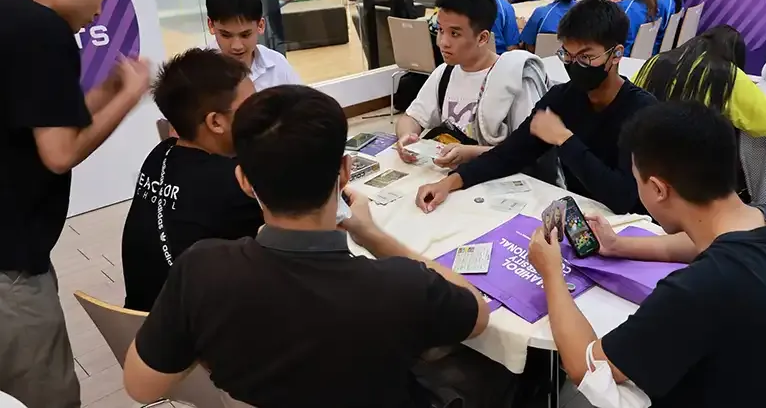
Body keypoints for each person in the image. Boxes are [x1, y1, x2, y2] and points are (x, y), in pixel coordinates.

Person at [122, 85, 491, 406]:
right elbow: (477, 314)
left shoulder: (201, 269)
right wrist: (372, 235)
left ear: (245, 180)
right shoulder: (400, 284)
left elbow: (141, 386)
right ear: (345, 171)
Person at [527, 101, 766, 407]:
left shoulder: (701, 289)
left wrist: (551, 272)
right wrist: (618, 245)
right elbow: (697, 244)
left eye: (638, 181)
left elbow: (588, 367)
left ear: (658, 189)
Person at [0, 0, 150, 407]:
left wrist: (104, 92)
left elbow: (36, 122)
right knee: (46, 397)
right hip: (10, 265)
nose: (98, 13)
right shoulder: (44, 30)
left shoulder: (8, 16)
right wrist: (128, 98)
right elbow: (59, 153)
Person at [415, 0, 658, 215]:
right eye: (567, 55)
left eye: (586, 57)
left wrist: (564, 139)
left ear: (616, 54)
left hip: (631, 228)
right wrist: (450, 182)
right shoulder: (562, 98)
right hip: (580, 217)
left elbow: (622, 197)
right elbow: (509, 154)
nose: (574, 65)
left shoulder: (642, 112)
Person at [121, 49, 262, 312]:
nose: (261, 114)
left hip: (143, 324)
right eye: (252, 107)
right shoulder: (234, 183)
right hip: (200, 330)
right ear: (216, 122)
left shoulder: (160, 154)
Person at [396, 0, 548, 168]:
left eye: (455, 34)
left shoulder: (514, 77)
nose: (443, 42)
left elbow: (529, 148)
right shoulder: (444, 73)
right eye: (441, 30)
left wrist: (471, 154)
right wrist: (407, 136)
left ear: (482, 38)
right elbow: (411, 117)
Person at [634, 25, 766, 137]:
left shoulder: (657, 61)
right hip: (698, 159)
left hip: (645, 149)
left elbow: (630, 96)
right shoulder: (730, 76)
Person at [206, 0, 301, 91]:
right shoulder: (197, 72)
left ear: (260, 26)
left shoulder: (278, 64)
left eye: (245, 35)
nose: (237, 46)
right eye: (226, 35)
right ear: (211, 25)